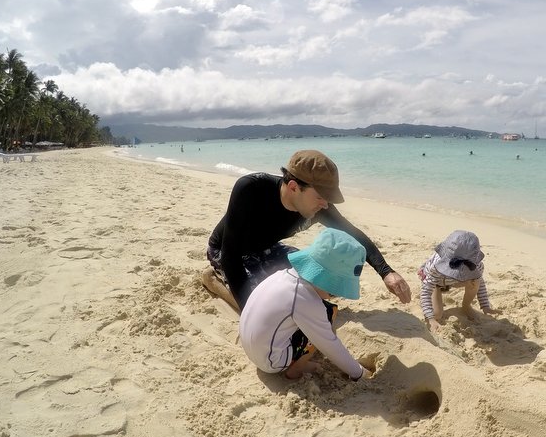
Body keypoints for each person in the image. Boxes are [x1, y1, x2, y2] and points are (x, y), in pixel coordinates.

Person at [202, 149, 411, 311]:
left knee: (326, 284)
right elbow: (230, 256)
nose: (325, 205)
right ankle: (213, 281)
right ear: (294, 187)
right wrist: (251, 310)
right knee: (269, 307)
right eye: (320, 197)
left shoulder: (319, 205)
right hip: (229, 251)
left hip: (268, 249)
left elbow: (352, 234)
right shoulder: (252, 189)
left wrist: (387, 272)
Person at [239, 228, 371, 380]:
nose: (336, 295)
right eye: (334, 291)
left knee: (313, 314)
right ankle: (297, 368)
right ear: (324, 280)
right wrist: (358, 373)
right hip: (272, 362)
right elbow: (329, 344)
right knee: (328, 313)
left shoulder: (282, 276)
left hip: (253, 348)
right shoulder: (305, 300)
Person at [418, 230, 494, 332]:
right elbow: (426, 291)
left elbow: (480, 283)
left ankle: (466, 306)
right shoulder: (436, 265)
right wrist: (430, 319)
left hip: (455, 281)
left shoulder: (476, 265)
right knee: (436, 314)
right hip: (437, 283)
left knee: (474, 282)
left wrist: (485, 306)